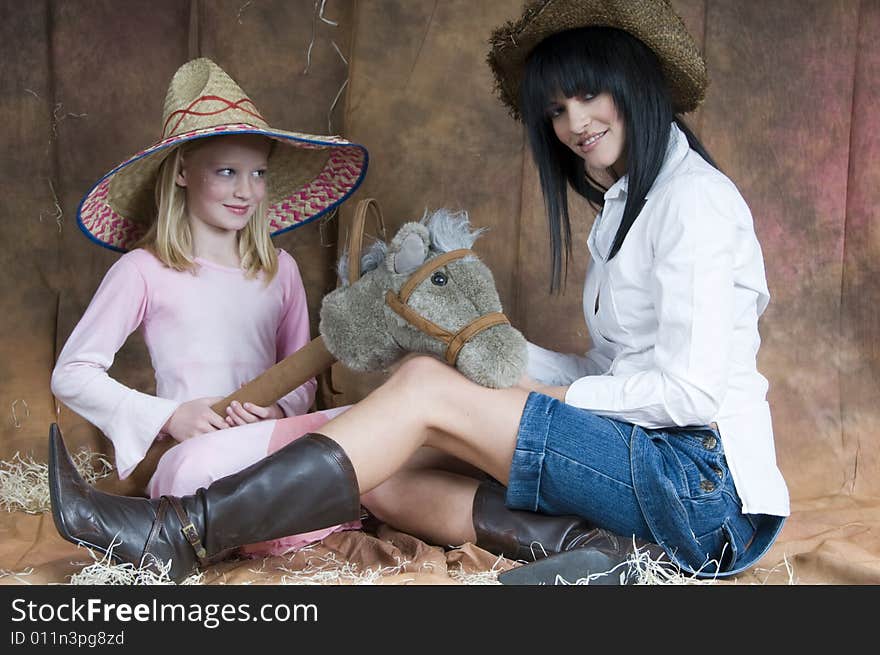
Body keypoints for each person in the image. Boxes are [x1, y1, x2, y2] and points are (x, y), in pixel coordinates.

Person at [49, 0, 790, 584]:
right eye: (556, 110)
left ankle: (176, 532)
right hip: (648, 472)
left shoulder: (693, 202)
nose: (572, 125)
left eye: (588, 96)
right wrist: (476, 347)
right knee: (393, 475)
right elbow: (614, 369)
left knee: (423, 389)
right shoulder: (630, 205)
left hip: (698, 490)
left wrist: (541, 398)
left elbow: (688, 395)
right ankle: (602, 552)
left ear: (636, 82)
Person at [50, 57, 368, 557]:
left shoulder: (278, 268)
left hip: (274, 443)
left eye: (258, 173)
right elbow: (71, 374)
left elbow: (301, 376)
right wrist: (172, 416)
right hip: (201, 458)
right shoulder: (144, 270)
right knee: (188, 471)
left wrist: (277, 407)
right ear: (182, 172)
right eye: (227, 172)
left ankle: (269, 513)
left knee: (374, 421)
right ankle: (243, 520)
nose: (247, 191)